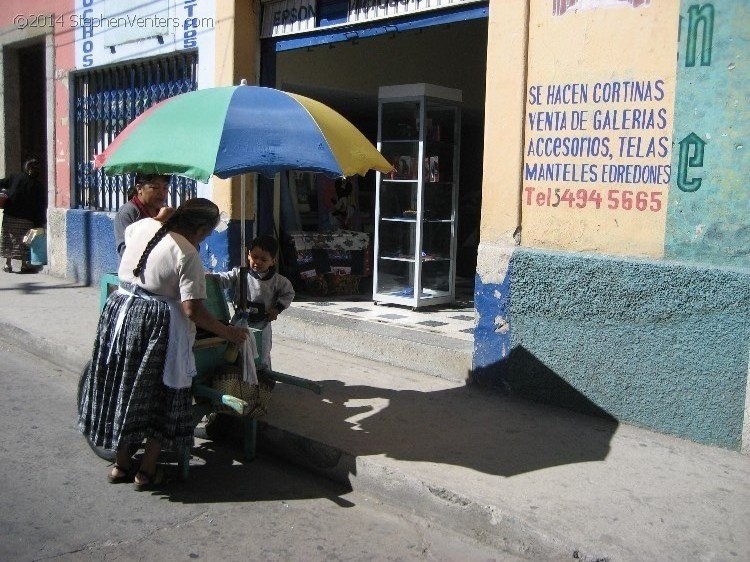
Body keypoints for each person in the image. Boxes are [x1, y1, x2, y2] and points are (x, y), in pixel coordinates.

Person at [78, 198, 247, 490]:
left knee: (128, 387)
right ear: (203, 228)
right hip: (156, 324)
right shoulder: (187, 253)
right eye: (207, 234)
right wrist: (227, 332)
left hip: (122, 310)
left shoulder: (143, 226)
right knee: (162, 394)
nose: (204, 240)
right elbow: (192, 310)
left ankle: (120, 466)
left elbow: (147, 232)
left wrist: (161, 217)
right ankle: (146, 471)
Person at [208, 234, 295, 370]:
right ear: (248, 255)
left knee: (262, 353)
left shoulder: (279, 281)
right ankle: (237, 380)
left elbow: (289, 293)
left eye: (263, 259)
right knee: (233, 351)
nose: (257, 262)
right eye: (254, 257)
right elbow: (223, 280)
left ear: (273, 261)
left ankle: (263, 382)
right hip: (239, 320)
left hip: (262, 323)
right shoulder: (240, 274)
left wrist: (277, 308)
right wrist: (208, 278)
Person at [0, 158, 46, 273]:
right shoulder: (38, 185)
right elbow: (40, 205)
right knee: (24, 241)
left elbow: (1, 183)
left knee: (8, 239)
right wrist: (40, 222)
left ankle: (7, 264)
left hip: (10, 215)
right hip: (26, 218)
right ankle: (24, 265)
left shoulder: (15, 177)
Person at [114, 173, 171, 258]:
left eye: (165, 188)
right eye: (155, 187)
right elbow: (125, 252)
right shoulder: (128, 212)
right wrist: (158, 220)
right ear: (140, 188)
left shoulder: (165, 211)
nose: (161, 193)